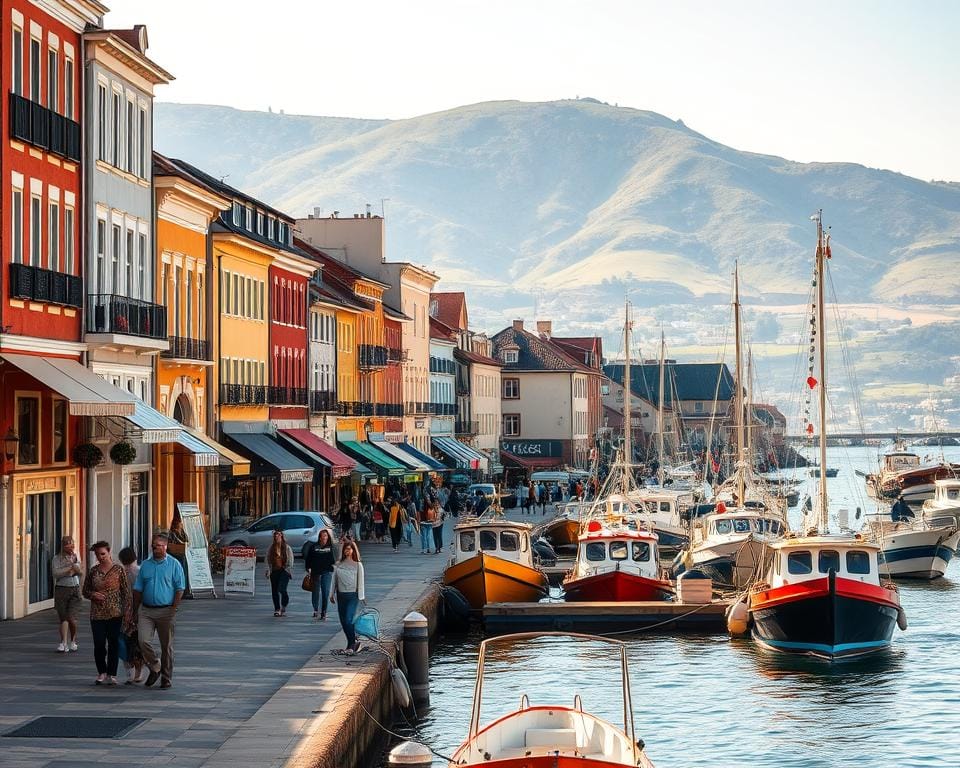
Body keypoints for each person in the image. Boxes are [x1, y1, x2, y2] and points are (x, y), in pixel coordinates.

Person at [133, 533, 185, 689]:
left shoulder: (174, 565)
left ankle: (166, 677)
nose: (155, 548)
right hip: (146, 611)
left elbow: (180, 588)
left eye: (158, 545)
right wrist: (135, 610)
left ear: (165, 546)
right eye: (153, 545)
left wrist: (173, 609)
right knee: (143, 641)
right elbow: (138, 589)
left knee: (166, 646)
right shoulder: (146, 565)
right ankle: (155, 666)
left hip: (166, 611)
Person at [81, 541, 130, 685]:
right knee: (99, 643)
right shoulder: (93, 571)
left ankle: (112, 674)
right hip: (97, 613)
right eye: (97, 554)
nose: (100, 557)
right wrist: (93, 595)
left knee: (113, 643)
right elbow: (85, 591)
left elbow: (126, 593)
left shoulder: (119, 570)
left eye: (102, 554)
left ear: (109, 552)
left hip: (115, 613)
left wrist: (128, 612)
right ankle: (101, 672)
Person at [330, 540, 365, 654]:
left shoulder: (358, 565)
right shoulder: (339, 564)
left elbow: (361, 582)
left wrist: (361, 596)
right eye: (346, 549)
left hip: (352, 595)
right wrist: (331, 594)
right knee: (343, 621)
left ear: (353, 550)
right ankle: (351, 642)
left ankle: (352, 643)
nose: (347, 551)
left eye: (349, 549)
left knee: (349, 619)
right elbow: (333, 581)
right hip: (341, 595)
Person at [117, 546, 144, 684]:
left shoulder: (123, 573)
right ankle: (137, 673)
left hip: (125, 613)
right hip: (139, 612)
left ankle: (130, 671)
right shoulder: (140, 571)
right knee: (136, 643)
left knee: (124, 642)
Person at [51, 535, 83, 653]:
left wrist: (74, 566)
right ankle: (63, 642)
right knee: (63, 617)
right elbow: (56, 573)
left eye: (72, 544)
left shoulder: (76, 557)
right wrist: (69, 569)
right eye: (68, 544)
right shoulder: (57, 558)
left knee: (71, 618)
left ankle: (73, 640)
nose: (71, 546)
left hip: (74, 588)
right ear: (63, 546)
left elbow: (80, 571)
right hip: (61, 589)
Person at [305, 529, 335, 620]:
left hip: (327, 572)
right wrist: (308, 568)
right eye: (322, 536)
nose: (324, 537)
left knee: (325, 592)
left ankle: (324, 611)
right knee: (316, 592)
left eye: (325, 536)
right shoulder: (314, 547)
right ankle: (316, 609)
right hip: (315, 572)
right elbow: (308, 559)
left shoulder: (331, 547)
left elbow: (335, 559)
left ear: (328, 537)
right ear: (319, 537)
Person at [265, 530, 295, 617]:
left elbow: (291, 559)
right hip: (274, 570)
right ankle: (277, 609)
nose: (277, 537)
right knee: (274, 591)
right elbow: (267, 559)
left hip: (284, 570)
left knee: (282, 589)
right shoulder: (271, 547)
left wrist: (288, 568)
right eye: (275, 535)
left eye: (278, 535)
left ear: (282, 536)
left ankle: (284, 604)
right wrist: (268, 570)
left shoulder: (287, 547)